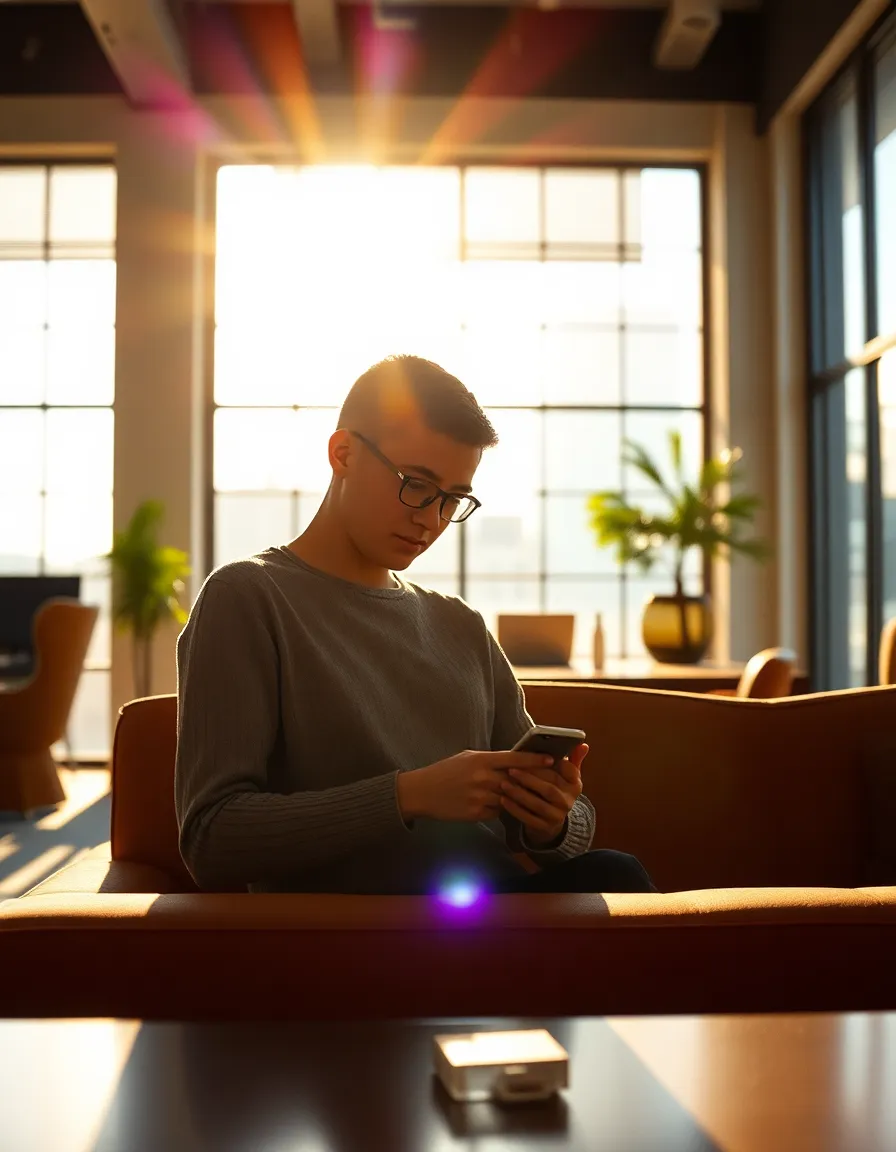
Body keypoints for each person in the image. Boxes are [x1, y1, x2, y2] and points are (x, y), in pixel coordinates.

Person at [174, 355, 656, 896]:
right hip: (354, 934)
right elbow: (211, 839)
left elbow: (571, 828)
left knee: (616, 875)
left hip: (477, 916)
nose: (430, 518)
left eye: (453, 499)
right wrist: (409, 795)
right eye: (416, 484)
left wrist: (552, 819)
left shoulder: (460, 626)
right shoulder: (248, 598)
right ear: (344, 454)